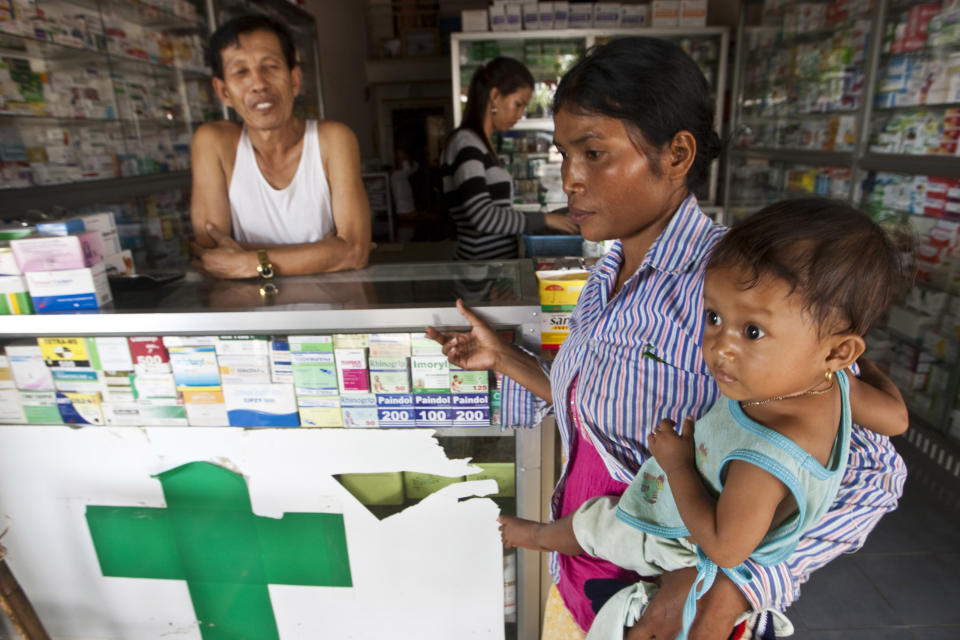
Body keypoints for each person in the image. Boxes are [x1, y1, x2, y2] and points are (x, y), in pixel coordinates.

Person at [426, 37, 907, 640]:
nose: (570, 178)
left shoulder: (742, 291)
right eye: (564, 154)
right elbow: (613, 407)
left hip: (669, 609)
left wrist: (732, 586)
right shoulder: (607, 271)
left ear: (677, 154)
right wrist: (508, 361)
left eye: (594, 153)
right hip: (587, 575)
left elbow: (873, 475)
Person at [497, 199, 909, 639]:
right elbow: (897, 418)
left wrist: (677, 465)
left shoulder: (766, 456)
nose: (719, 346)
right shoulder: (834, 384)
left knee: (602, 525)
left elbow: (724, 547)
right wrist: (852, 369)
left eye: (752, 332)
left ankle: (534, 536)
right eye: (714, 317)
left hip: (681, 541)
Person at [190, 14, 371, 278]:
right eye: (241, 71)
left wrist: (248, 262)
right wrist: (326, 250)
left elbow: (355, 252)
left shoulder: (333, 140)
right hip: (252, 314)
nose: (259, 84)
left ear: (295, 79)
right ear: (223, 92)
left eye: (271, 66)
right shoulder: (214, 143)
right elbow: (211, 255)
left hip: (336, 311)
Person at [440, 57, 578, 261]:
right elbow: (482, 216)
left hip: (494, 270)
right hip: (480, 271)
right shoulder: (466, 142)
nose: (520, 114)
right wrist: (545, 219)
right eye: (518, 104)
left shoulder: (481, 144)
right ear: (495, 96)